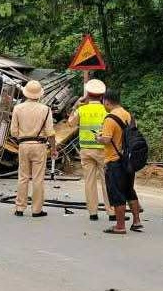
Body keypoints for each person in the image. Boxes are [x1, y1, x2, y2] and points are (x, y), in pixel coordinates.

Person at [96, 89, 142, 234]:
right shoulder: (127, 114)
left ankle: (120, 226)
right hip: (128, 159)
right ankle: (136, 220)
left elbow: (107, 139)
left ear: (107, 101)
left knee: (117, 193)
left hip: (115, 160)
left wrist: (98, 138)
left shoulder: (110, 118)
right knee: (129, 190)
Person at [68, 78, 112, 221]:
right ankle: (111, 211)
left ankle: (93, 212)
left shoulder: (82, 110)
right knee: (107, 180)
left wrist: (76, 105)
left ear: (87, 94)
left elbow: (70, 123)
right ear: (102, 95)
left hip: (86, 150)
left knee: (89, 181)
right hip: (103, 150)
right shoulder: (107, 110)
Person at [10, 80, 55, 217]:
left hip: (23, 145)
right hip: (39, 145)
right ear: (40, 94)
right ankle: (36, 210)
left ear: (26, 93)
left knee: (23, 177)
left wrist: (22, 137)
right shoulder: (46, 109)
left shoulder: (18, 108)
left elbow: (13, 132)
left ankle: (20, 208)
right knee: (38, 178)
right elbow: (50, 132)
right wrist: (53, 148)